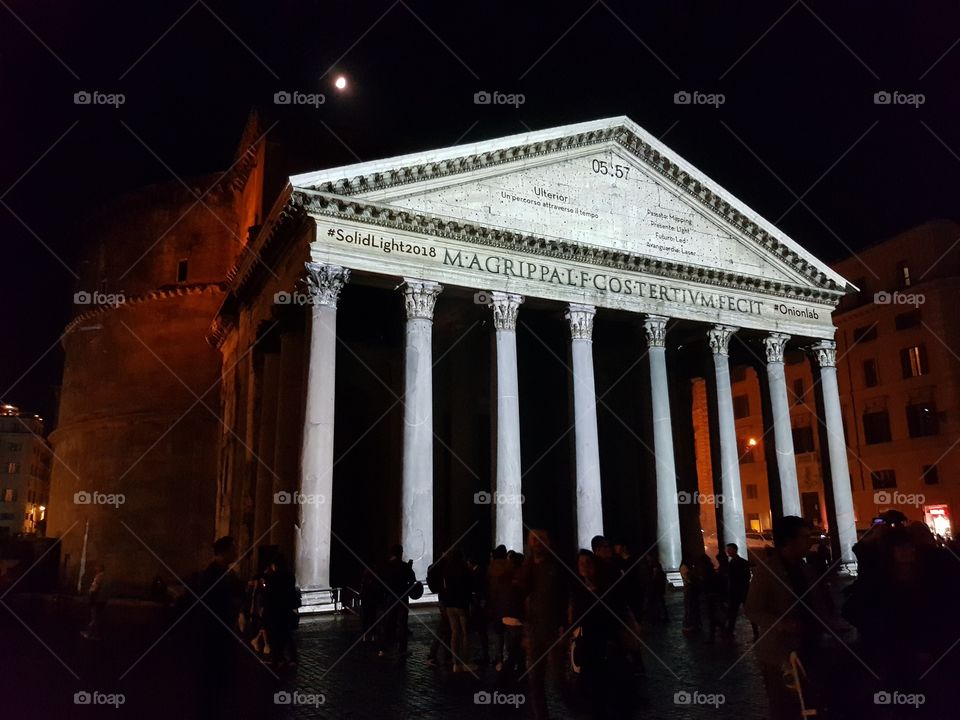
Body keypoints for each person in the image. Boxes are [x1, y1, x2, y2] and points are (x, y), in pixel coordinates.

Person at [746, 516, 831, 720]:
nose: (810, 540)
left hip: (809, 645)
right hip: (779, 654)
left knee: (812, 703)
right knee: (785, 706)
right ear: (789, 540)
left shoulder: (805, 567)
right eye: (805, 536)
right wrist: (783, 625)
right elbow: (752, 609)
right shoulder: (766, 571)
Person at [569, 549, 630, 719]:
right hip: (588, 648)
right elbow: (574, 620)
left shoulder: (608, 589)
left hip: (608, 646)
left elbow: (618, 616)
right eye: (581, 564)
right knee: (591, 695)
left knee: (609, 693)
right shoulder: (578, 591)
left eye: (588, 563)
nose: (585, 567)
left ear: (596, 565)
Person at [515, 529, 567, 720]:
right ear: (529, 544)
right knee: (535, 681)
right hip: (534, 630)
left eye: (541, 539)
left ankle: (579, 710)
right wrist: (524, 632)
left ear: (548, 542)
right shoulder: (527, 567)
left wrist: (565, 627)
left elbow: (565, 597)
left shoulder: (557, 566)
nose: (537, 543)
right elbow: (521, 595)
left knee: (558, 680)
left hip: (554, 630)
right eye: (533, 540)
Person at [376, 544, 416, 659]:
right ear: (400, 553)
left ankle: (383, 649)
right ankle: (402, 649)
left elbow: (380, 581)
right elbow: (412, 580)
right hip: (402, 597)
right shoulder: (404, 566)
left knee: (388, 624)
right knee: (402, 624)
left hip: (389, 597)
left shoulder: (385, 566)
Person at [261, 556, 299, 668]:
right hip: (286, 610)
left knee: (275, 636)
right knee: (286, 635)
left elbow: (268, 595)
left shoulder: (272, 577)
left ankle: (278, 658)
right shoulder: (289, 576)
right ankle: (291, 658)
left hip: (274, 611)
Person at [442, 547, 472, 671]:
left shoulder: (447, 570)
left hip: (449, 604)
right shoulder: (465, 569)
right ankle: (465, 661)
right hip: (461, 603)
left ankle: (456, 663)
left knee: (455, 632)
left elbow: (444, 586)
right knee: (465, 632)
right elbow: (468, 587)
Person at [485, 545, 511, 670]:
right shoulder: (509, 566)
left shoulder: (491, 567)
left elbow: (488, 587)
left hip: (495, 604)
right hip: (507, 604)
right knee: (509, 633)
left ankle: (499, 658)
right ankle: (510, 659)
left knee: (498, 634)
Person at [722, 543, 751, 637]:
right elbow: (747, 576)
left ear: (735, 550)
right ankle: (754, 630)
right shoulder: (742, 562)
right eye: (727, 549)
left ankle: (730, 631)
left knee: (733, 612)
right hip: (741, 590)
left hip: (737, 591)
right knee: (736, 612)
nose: (727, 551)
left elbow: (744, 576)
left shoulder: (734, 563)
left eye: (729, 549)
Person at [426, 555, 450, 667]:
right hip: (447, 600)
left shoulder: (437, 567)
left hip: (443, 599)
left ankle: (445, 653)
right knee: (444, 627)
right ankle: (434, 653)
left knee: (446, 627)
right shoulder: (446, 568)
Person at [81, 563, 108, 640]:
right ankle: (94, 633)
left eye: (96, 567)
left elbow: (94, 589)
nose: (95, 569)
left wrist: (90, 595)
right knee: (97, 617)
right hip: (103, 599)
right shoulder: (105, 577)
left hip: (97, 599)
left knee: (94, 617)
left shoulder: (99, 577)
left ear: (100, 568)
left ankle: (91, 633)